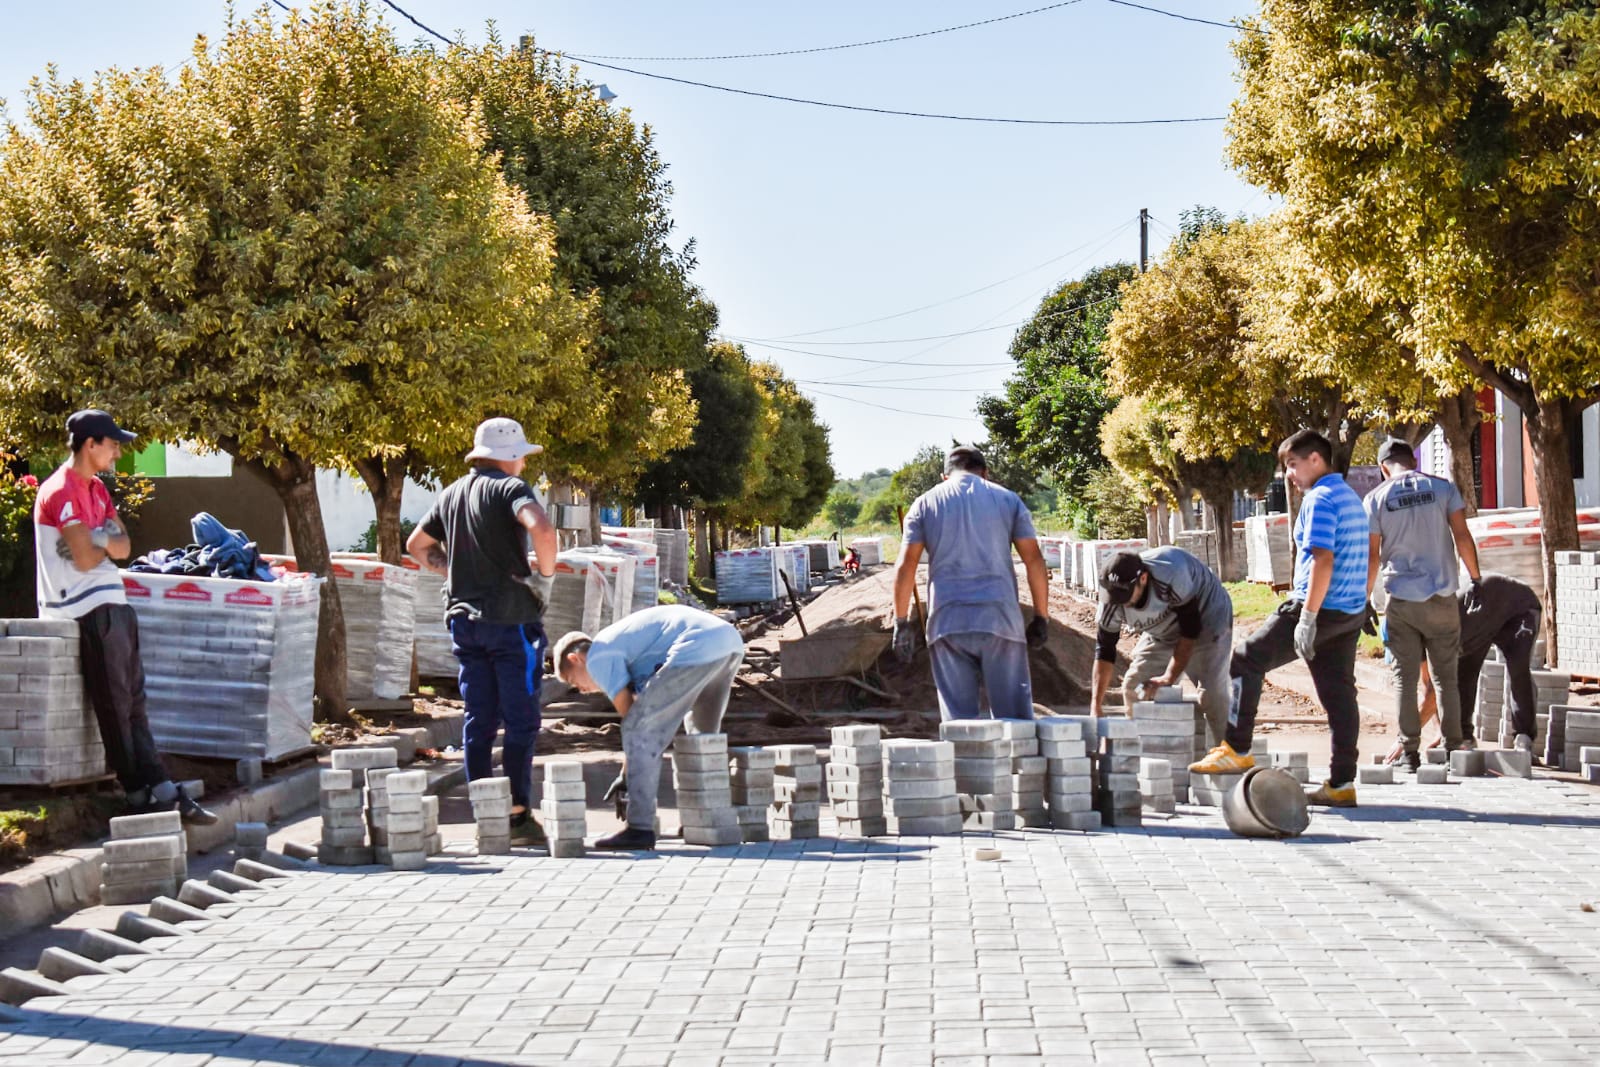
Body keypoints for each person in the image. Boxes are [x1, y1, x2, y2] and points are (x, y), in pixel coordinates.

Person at [33, 410, 216, 823]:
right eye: (112, 444)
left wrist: (92, 539)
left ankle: (162, 787)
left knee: (134, 704)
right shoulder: (61, 490)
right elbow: (83, 557)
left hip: (115, 603)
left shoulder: (96, 490)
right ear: (90, 444)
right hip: (84, 607)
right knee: (116, 706)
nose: (117, 452)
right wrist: (98, 540)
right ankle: (139, 792)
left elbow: (124, 547)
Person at [1192, 429, 1370, 807]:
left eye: (1292, 465)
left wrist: (1307, 617)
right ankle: (1341, 784)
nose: (1289, 475)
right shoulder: (1351, 499)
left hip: (1317, 607)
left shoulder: (1319, 500)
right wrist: (1363, 599)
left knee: (1245, 658)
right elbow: (1372, 553)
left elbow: (1323, 559)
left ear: (1315, 460)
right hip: (1347, 611)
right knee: (1340, 697)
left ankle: (1237, 748)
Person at [407, 417, 556, 846]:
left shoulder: (452, 493)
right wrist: (543, 577)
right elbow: (541, 527)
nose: (525, 463)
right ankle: (517, 815)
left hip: (464, 623)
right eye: (523, 456)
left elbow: (417, 545)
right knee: (522, 720)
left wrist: (450, 570)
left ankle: (485, 814)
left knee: (479, 720)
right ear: (509, 457)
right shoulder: (509, 489)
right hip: (510, 621)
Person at [552, 605, 745, 851]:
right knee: (702, 736)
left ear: (575, 659)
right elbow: (646, 715)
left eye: (573, 681)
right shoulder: (629, 651)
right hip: (728, 642)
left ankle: (640, 829)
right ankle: (705, 820)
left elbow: (634, 723)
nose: (581, 689)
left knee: (639, 730)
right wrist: (626, 772)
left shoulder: (598, 655)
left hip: (694, 646)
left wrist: (626, 777)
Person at [891, 445, 1050, 721]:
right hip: (1000, 621)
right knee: (1016, 727)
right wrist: (1041, 617)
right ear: (985, 473)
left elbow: (906, 565)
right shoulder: (1008, 500)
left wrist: (901, 622)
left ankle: (965, 760)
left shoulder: (925, 504)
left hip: (947, 624)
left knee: (961, 730)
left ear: (944, 476)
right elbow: (1034, 560)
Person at [1363, 437, 1481, 770]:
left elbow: (1372, 556)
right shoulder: (1443, 489)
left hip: (1402, 602)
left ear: (1383, 467)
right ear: (1412, 460)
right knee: (1446, 677)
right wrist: (1475, 579)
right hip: (1443, 598)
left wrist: (1365, 600)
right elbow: (1462, 536)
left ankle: (1410, 751)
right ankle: (1454, 748)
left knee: (1405, 678)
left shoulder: (1375, 499)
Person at [1090, 546, 1235, 743]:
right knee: (1136, 688)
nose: (1120, 604)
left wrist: (1169, 677)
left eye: (1125, 597)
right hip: (1162, 631)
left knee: (1212, 694)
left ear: (1143, 579)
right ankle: (1144, 757)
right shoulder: (1111, 600)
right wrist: (1095, 706)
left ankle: (1229, 754)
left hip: (1207, 618)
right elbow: (1105, 651)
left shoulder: (1171, 572)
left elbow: (1190, 630)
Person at [1455, 573, 1543, 756]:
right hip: (1486, 615)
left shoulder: (1451, 621)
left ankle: (1524, 736)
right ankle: (1465, 736)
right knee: (1465, 671)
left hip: (1520, 609)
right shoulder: (1438, 620)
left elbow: (1435, 689)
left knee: (1518, 669)